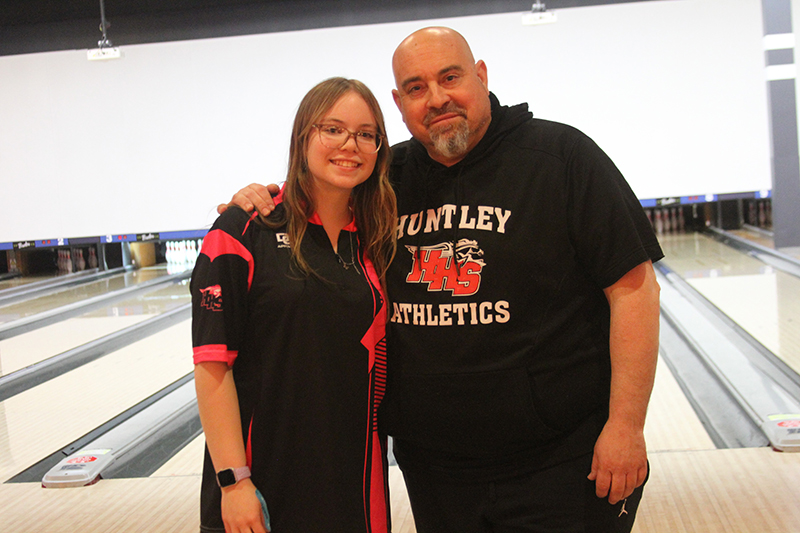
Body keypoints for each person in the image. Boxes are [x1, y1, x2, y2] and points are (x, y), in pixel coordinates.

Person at [221, 27, 663, 533]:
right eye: (415, 88)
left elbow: (635, 290)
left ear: (480, 76)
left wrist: (626, 426)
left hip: (561, 460)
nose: (436, 99)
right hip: (436, 472)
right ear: (399, 103)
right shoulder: (384, 181)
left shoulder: (561, 157)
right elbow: (318, 203)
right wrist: (260, 202)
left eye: (449, 77)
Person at [192, 77, 396, 533]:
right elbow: (212, 365)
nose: (351, 144)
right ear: (304, 135)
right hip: (262, 476)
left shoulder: (374, 238)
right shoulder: (243, 231)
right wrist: (233, 481)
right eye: (333, 129)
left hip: (354, 478)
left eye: (367, 134)